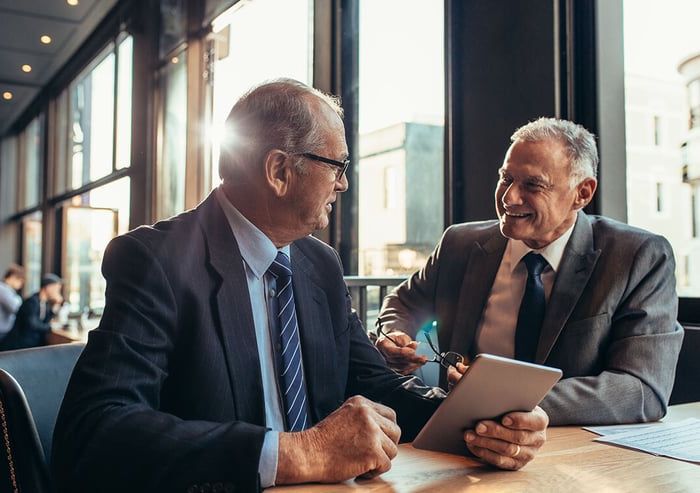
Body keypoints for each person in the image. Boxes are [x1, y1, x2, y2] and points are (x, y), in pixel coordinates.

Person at [51, 79, 548, 493]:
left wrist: (479, 427)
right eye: (337, 166)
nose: (344, 185)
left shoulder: (320, 264)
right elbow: (95, 430)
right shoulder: (155, 259)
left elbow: (375, 383)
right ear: (280, 171)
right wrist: (300, 454)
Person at [375, 117, 684, 426]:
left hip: (573, 450)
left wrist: (502, 397)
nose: (509, 197)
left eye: (532, 185)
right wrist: (394, 335)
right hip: (462, 437)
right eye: (505, 178)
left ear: (583, 193)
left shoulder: (637, 256)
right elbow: (404, 301)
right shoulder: (460, 243)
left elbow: (642, 389)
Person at [0, 273, 64, 350]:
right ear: (48, 287)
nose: (58, 292)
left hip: (33, 343)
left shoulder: (45, 303)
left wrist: (55, 305)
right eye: (56, 288)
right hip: (22, 345)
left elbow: (44, 322)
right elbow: (32, 324)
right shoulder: (31, 302)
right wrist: (50, 327)